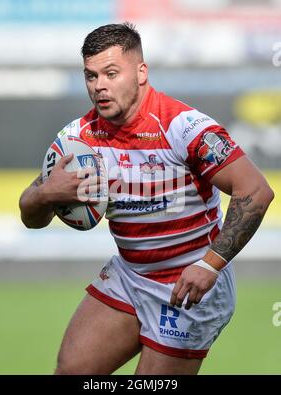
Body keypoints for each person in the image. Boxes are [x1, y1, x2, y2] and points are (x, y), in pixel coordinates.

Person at [19, 22, 274, 375]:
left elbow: (256, 191)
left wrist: (210, 264)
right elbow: (31, 215)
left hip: (188, 284)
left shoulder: (183, 127)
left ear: (141, 72)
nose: (100, 86)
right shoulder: (80, 137)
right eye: (91, 76)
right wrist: (47, 193)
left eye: (111, 73)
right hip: (131, 274)